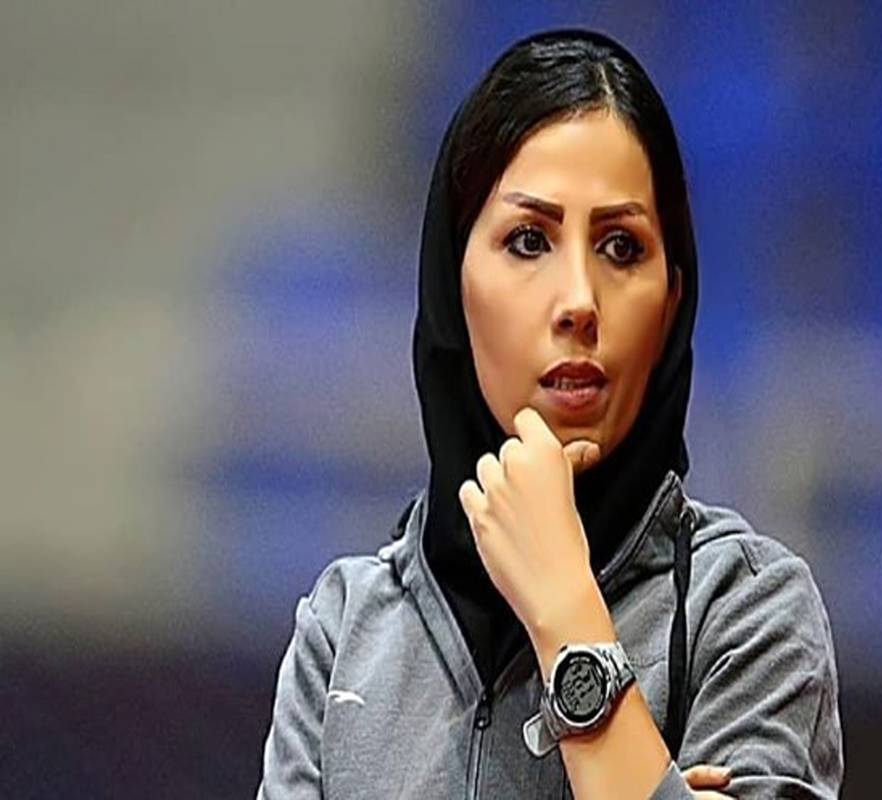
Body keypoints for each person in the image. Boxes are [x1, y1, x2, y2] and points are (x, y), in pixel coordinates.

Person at [257, 28, 842, 799]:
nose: (578, 301)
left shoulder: (747, 610)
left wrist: (567, 612)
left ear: (673, 300)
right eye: (529, 240)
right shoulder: (344, 631)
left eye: (622, 248)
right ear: (451, 284)